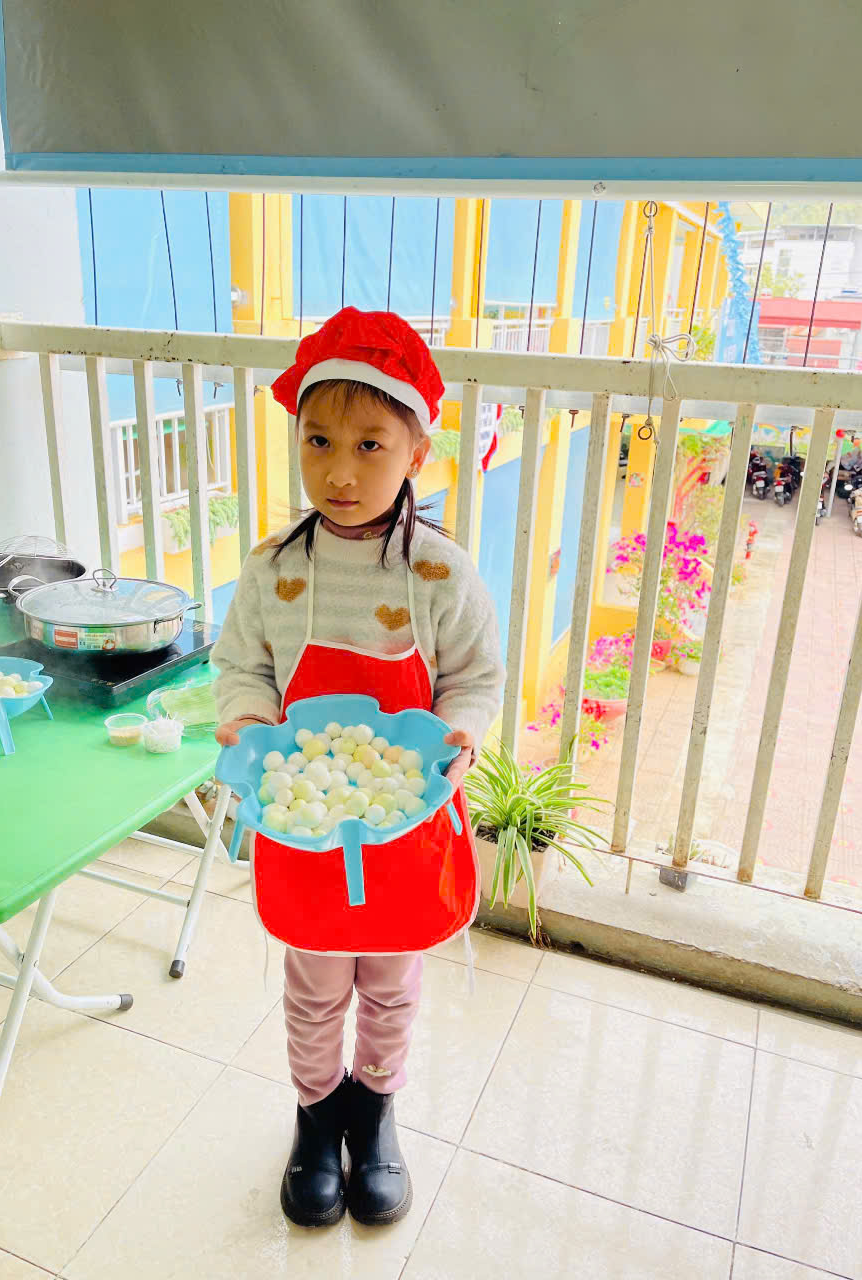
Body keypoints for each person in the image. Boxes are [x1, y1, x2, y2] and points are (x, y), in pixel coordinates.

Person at [213, 307, 505, 1229]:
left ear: (418, 450)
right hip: (305, 829)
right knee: (313, 983)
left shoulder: (441, 575)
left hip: (402, 825)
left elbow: (475, 679)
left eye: (370, 444)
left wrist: (457, 734)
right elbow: (241, 665)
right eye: (319, 441)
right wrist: (248, 719)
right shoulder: (273, 570)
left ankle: (374, 1108)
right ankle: (316, 1111)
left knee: (389, 979)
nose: (340, 472)